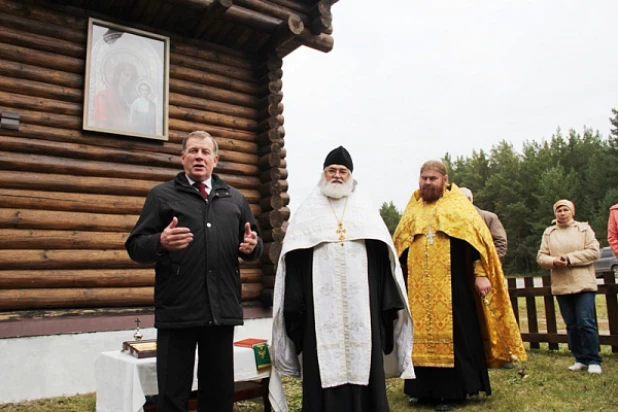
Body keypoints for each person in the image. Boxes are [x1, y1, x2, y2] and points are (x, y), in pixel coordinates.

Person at [125, 131, 263, 412]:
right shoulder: (162, 196)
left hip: (221, 311)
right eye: (193, 151)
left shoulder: (234, 199)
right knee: (173, 395)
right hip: (178, 311)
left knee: (218, 394)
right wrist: (160, 242)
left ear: (216, 159)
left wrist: (253, 247)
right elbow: (135, 246)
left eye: (205, 152)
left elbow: (254, 243)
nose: (199, 156)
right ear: (182, 157)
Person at [270, 146, 415, 412]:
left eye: (342, 171)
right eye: (332, 170)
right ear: (323, 174)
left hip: (363, 308)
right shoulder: (308, 213)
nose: (337, 175)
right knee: (321, 363)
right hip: (319, 312)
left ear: (350, 176)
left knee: (366, 360)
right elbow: (294, 260)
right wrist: (296, 305)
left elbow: (383, 259)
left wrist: (385, 306)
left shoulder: (365, 211)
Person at [393, 160, 526, 412]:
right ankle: (420, 390)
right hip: (419, 289)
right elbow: (400, 245)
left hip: (455, 285)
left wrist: (481, 273)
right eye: (424, 178)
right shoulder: (412, 209)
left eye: (433, 178)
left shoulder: (459, 207)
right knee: (417, 338)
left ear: (445, 180)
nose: (427, 183)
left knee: (459, 335)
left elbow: (478, 244)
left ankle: (453, 392)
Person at [536, 199, 602, 374]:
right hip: (562, 284)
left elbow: (594, 252)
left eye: (565, 210)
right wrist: (554, 261)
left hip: (583, 283)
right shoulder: (549, 233)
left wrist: (569, 259)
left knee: (585, 321)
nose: (562, 213)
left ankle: (594, 359)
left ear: (572, 212)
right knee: (571, 324)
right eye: (559, 210)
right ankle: (580, 358)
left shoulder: (584, 229)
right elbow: (541, 257)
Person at [459, 187, 508, 259]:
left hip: (484, 267)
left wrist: (484, 260)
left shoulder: (489, 218)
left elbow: (501, 244)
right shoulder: (450, 220)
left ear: (468, 199)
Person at [94, 61, 137, 132]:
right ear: (117, 75)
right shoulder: (104, 95)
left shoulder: (133, 100)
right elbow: (101, 125)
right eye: (126, 75)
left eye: (132, 78)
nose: (129, 80)